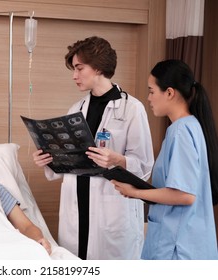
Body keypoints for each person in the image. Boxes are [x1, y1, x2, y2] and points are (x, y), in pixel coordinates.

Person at [32, 36, 154, 259]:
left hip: (112, 208)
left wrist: (117, 160)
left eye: (79, 68)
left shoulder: (131, 109)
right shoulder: (75, 109)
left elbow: (144, 166)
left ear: (97, 67)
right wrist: (49, 159)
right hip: (77, 206)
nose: (74, 76)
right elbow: (68, 162)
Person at [112, 59, 218, 259]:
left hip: (177, 247)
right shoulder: (191, 126)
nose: (149, 98)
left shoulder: (181, 131)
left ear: (169, 93)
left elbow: (185, 195)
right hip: (185, 241)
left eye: (152, 91)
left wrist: (135, 192)